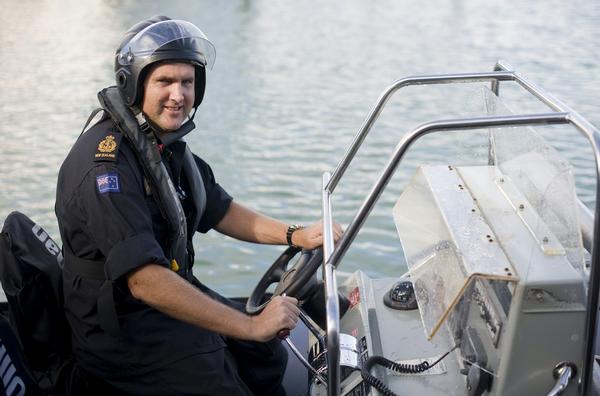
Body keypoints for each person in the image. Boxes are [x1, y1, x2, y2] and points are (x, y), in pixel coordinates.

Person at [55, 16, 342, 395]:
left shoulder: (163, 146)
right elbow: (144, 280)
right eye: (164, 82)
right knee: (226, 377)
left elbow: (219, 209)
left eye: (187, 82)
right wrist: (251, 325)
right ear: (134, 85)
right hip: (120, 328)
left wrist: (297, 234)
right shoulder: (106, 166)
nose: (178, 95)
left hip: (161, 300)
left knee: (265, 356)